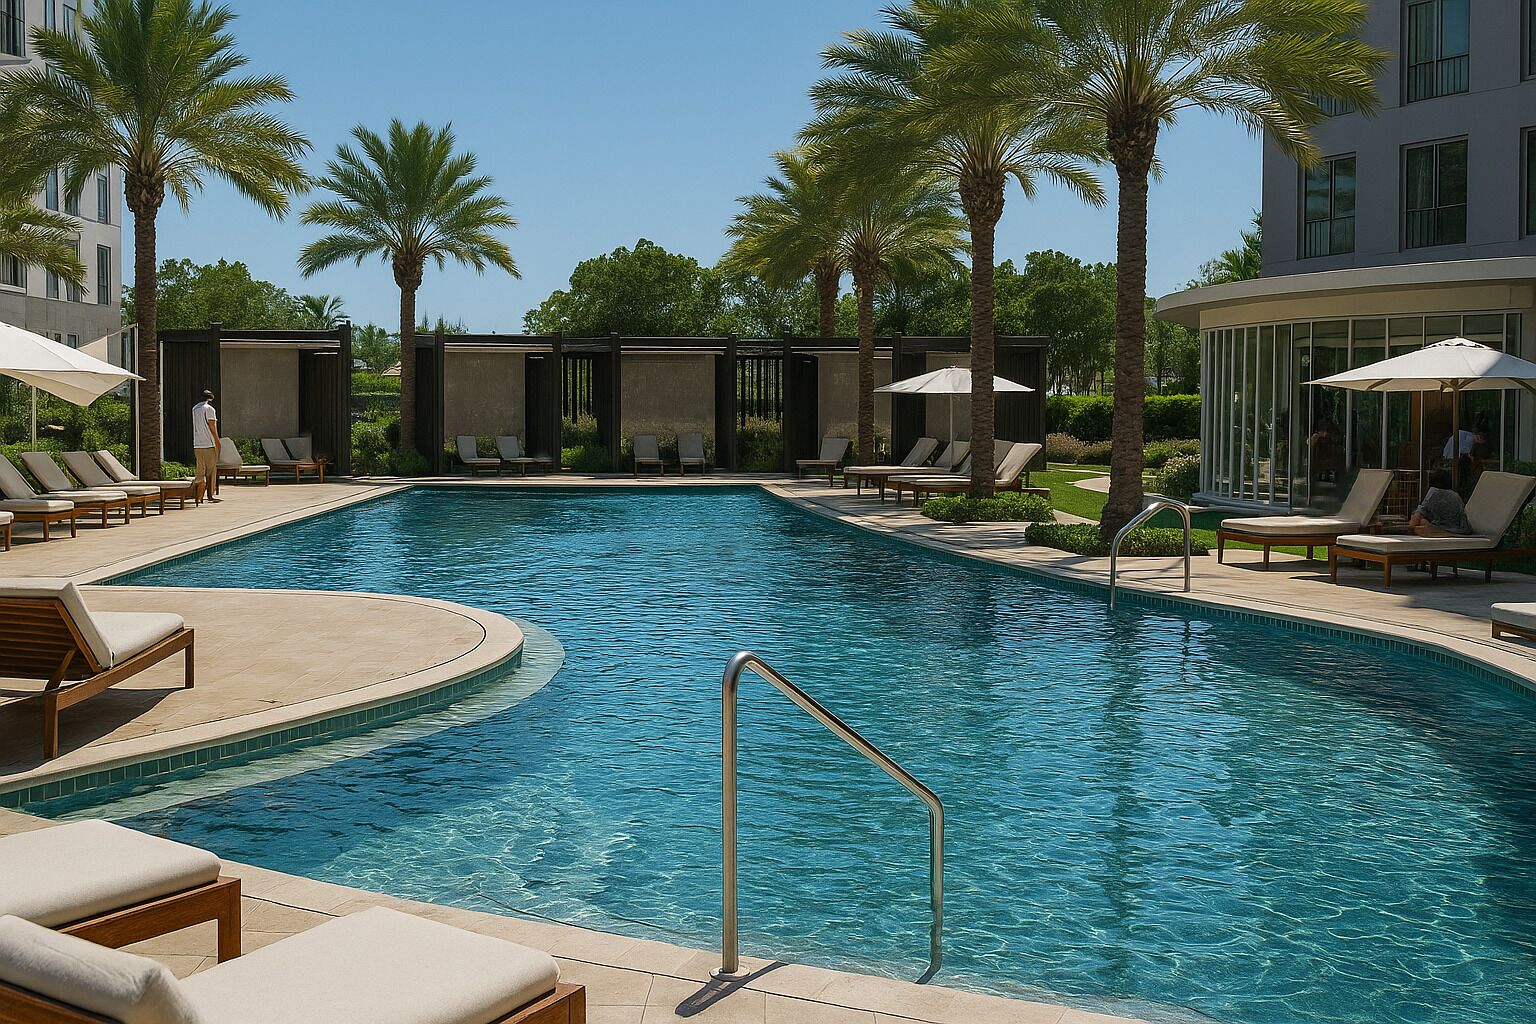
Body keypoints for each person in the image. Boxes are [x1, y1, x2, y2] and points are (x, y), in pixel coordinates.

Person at [1410, 469, 1469, 537]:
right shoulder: (1456, 495)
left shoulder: (1433, 493)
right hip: (1459, 529)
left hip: (1439, 528)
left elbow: (1416, 519)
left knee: (1422, 522)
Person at [192, 389, 221, 503]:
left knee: (200, 471)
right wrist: (217, 442)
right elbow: (212, 427)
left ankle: (198, 497)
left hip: (197, 444)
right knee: (211, 471)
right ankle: (210, 495)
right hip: (209, 444)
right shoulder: (209, 409)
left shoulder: (195, 409)